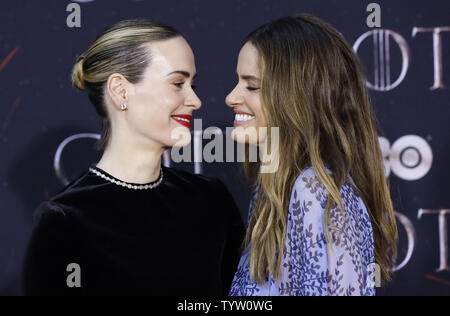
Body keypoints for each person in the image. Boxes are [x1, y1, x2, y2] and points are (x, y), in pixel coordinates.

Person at [21, 18, 245, 296]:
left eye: (193, 85)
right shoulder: (66, 221)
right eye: (177, 83)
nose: (195, 101)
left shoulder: (211, 199)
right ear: (120, 90)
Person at [225, 14, 398, 296]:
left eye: (252, 86)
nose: (231, 97)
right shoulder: (273, 193)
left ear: (297, 98)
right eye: (238, 81)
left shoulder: (316, 193)